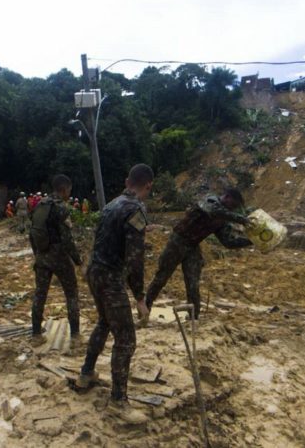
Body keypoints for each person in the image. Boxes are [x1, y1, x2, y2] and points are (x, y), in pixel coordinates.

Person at [78, 164, 154, 425]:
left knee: (104, 322)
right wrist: (141, 298)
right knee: (126, 340)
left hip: (94, 272)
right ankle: (118, 402)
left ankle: (86, 373)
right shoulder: (137, 209)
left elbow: (103, 239)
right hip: (111, 278)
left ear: (126, 180)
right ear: (148, 186)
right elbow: (135, 259)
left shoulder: (112, 204)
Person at [145, 188, 251, 320]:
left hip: (193, 247)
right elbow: (213, 210)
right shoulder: (210, 200)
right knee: (161, 278)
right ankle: (144, 308)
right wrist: (242, 220)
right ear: (227, 197)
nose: (233, 209)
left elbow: (228, 242)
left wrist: (251, 241)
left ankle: (194, 317)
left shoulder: (223, 219)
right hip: (178, 241)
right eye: (233, 205)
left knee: (193, 284)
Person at [29, 175, 82, 345]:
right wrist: (78, 260)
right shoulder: (61, 208)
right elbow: (67, 240)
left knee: (40, 294)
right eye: (69, 191)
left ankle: (36, 334)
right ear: (65, 189)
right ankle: (75, 336)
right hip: (59, 257)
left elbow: (33, 232)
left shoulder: (40, 205)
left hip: (42, 256)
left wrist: (37, 253)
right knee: (72, 294)